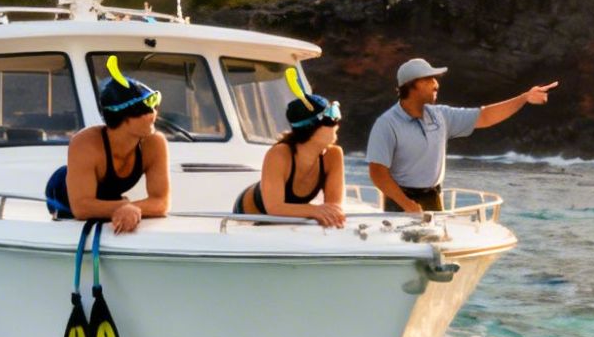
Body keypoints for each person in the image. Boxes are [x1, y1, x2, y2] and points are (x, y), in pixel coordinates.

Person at [367, 58, 558, 213]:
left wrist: (524, 98)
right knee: (412, 253)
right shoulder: (386, 124)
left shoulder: (441, 115)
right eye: (430, 79)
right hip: (400, 203)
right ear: (413, 85)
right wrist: (407, 205)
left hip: (433, 198)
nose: (436, 85)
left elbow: (485, 116)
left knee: (438, 253)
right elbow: (378, 173)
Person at [44, 57, 172, 233]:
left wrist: (128, 208)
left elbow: (161, 202)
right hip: (64, 196)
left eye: (154, 107)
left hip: (109, 197)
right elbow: (81, 208)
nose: (153, 114)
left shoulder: (154, 143)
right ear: (124, 118)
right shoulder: (85, 143)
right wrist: (122, 206)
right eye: (145, 111)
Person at [235, 92, 347, 227]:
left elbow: (333, 207)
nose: (337, 123)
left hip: (286, 215)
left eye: (337, 116)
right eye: (331, 119)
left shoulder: (334, 155)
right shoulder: (279, 154)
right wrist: (314, 210)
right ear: (310, 127)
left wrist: (322, 212)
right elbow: (274, 208)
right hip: (250, 215)